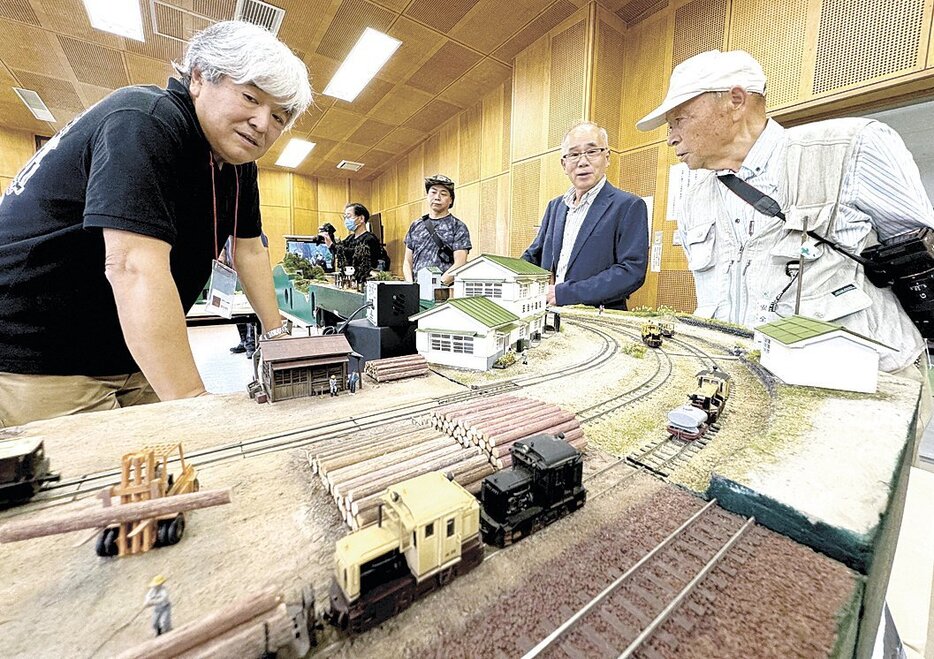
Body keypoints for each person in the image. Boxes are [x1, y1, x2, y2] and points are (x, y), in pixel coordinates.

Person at [0, 21, 312, 427]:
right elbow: (132, 265)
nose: (262, 123)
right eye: (250, 98)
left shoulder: (239, 165)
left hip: (129, 348)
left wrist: (276, 337)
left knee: (165, 463)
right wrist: (193, 404)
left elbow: (249, 248)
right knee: (106, 479)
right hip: (41, 348)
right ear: (198, 77)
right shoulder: (144, 120)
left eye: (279, 118)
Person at [636, 49, 934, 375]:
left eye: (679, 119)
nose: (670, 138)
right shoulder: (695, 198)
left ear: (735, 100)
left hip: (860, 382)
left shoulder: (851, 146)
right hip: (751, 380)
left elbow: (919, 263)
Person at [521, 122, 648, 309]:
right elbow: (534, 256)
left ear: (607, 157)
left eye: (592, 151)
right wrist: (503, 276)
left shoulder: (629, 206)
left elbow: (631, 272)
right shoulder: (555, 207)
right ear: (564, 164)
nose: (582, 162)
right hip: (550, 314)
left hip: (598, 320)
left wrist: (564, 293)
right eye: (573, 154)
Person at [403, 175, 472, 285]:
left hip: (445, 291)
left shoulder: (458, 226)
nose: (437, 197)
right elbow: (407, 261)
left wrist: (436, 286)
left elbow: (460, 262)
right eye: (433, 192)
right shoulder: (416, 225)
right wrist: (410, 285)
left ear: (450, 200)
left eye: (443, 194)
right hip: (416, 290)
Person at [341, 203, 381, 273]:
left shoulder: (370, 239)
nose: (346, 220)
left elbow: (353, 252)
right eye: (345, 217)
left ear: (361, 218)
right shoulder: (350, 238)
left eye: (349, 216)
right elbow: (339, 248)